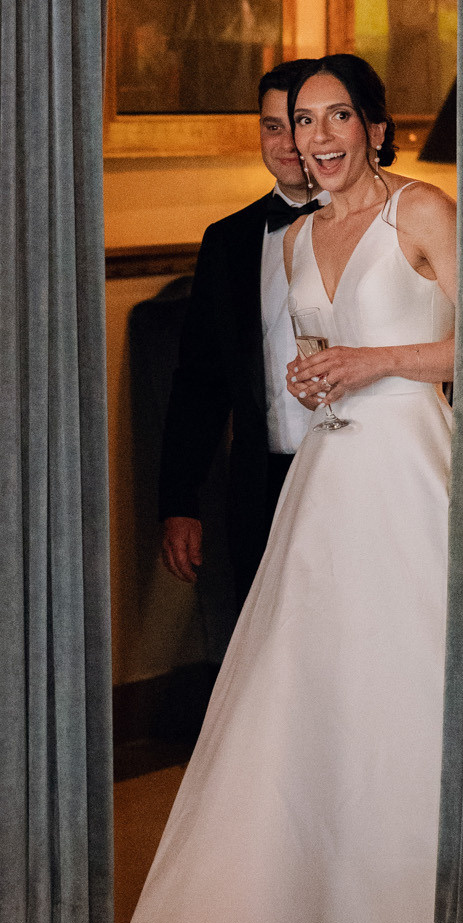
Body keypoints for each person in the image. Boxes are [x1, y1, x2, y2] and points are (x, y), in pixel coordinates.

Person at [110, 53, 463, 923]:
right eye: (301, 122)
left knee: (412, 682)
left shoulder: (423, 213)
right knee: (306, 695)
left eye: (336, 117)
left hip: (409, 466)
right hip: (325, 477)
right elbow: (280, 365)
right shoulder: (291, 241)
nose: (317, 138)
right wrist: (318, 378)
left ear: (374, 129)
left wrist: (371, 362)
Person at [157, 59, 319, 617]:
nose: (288, 143)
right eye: (272, 126)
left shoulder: (395, 225)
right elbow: (200, 382)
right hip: (263, 485)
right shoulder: (227, 241)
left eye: (300, 123)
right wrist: (179, 502)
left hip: (367, 475)